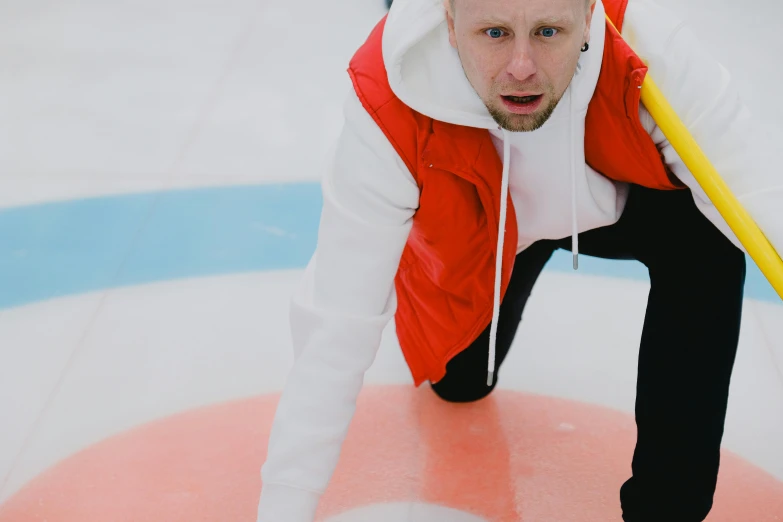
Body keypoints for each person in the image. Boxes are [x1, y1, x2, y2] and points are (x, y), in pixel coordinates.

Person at [256, 0, 782, 520]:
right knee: (460, 384)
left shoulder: (650, 47)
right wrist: (284, 505)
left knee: (713, 236)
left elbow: (763, 201)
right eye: (495, 32)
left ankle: (668, 508)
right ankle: (524, 253)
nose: (522, 67)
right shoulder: (387, 96)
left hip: (611, 196)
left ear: (589, 16)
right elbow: (336, 323)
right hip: (485, 231)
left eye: (549, 30)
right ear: (450, 21)